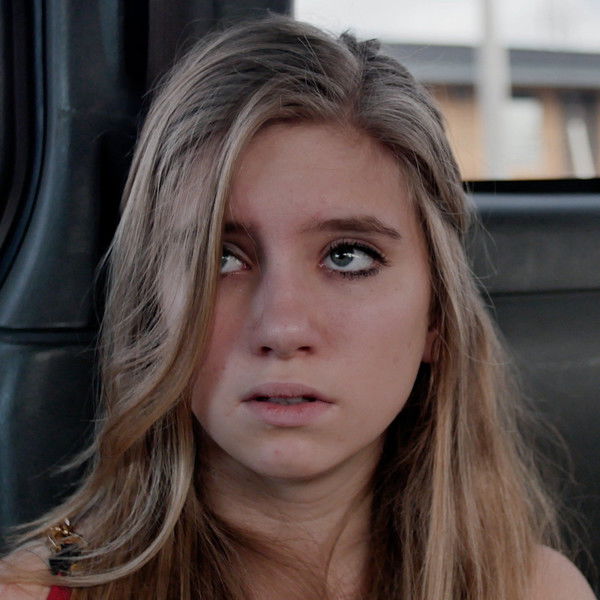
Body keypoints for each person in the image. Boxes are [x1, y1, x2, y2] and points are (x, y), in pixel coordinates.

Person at [0, 14, 596, 600]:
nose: (283, 327)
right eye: (220, 258)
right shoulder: (31, 592)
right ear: (155, 309)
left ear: (436, 317)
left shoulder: (537, 590)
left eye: (347, 257)